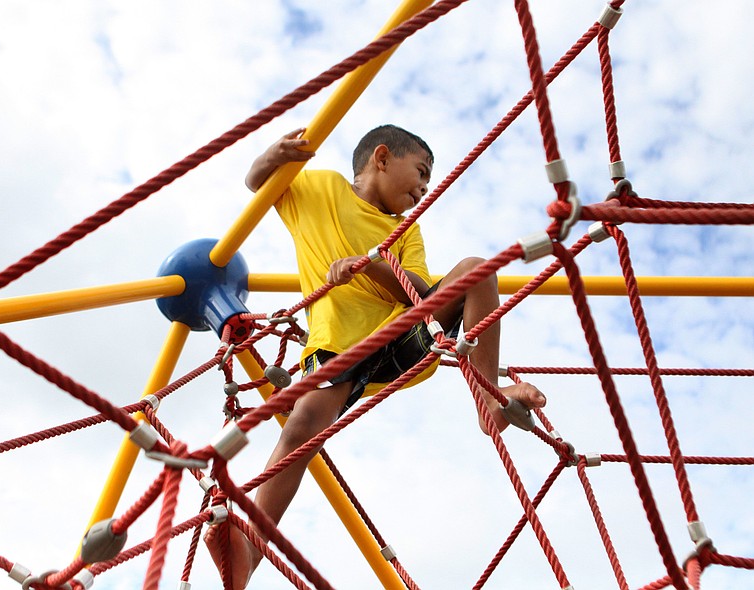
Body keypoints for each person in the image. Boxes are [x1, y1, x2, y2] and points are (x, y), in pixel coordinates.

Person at [205, 125, 547, 588]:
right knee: (301, 430)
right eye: (421, 173)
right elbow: (255, 183)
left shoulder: (405, 229)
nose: (423, 189)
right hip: (337, 345)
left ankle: (487, 397)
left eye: (429, 182)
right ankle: (249, 552)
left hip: (401, 338)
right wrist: (275, 155)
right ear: (382, 158)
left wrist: (376, 265)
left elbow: (420, 294)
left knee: (476, 270)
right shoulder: (320, 188)